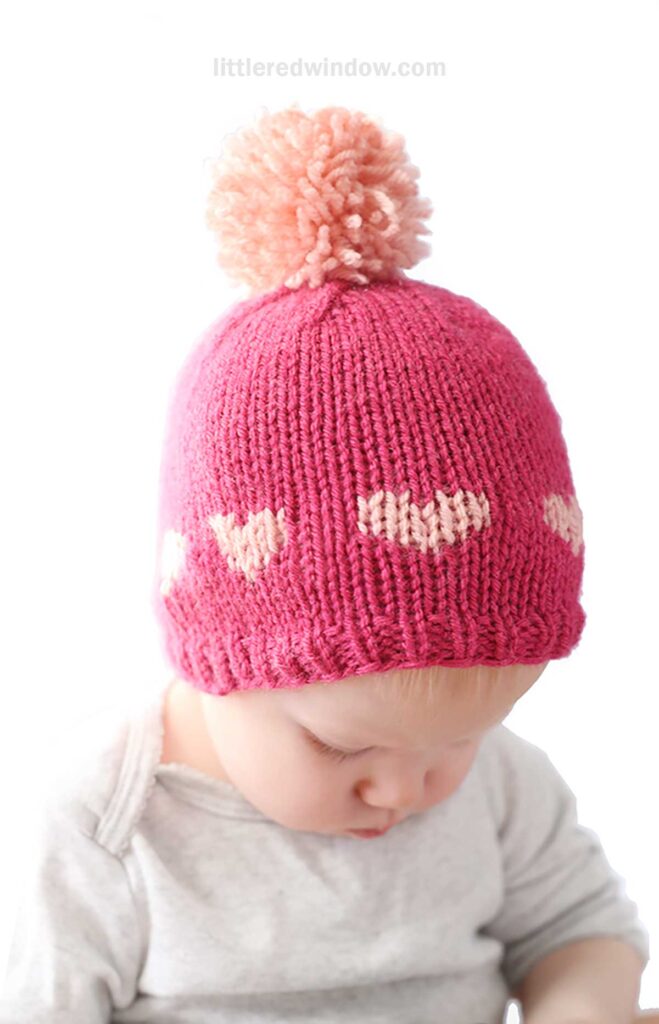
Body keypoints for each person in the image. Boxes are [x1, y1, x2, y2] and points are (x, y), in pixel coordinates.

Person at [0, 104, 652, 1024]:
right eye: (340, 746)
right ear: (215, 661)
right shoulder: (103, 824)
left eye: (461, 737)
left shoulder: (499, 783)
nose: (405, 791)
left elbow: (585, 929)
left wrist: (577, 1007)